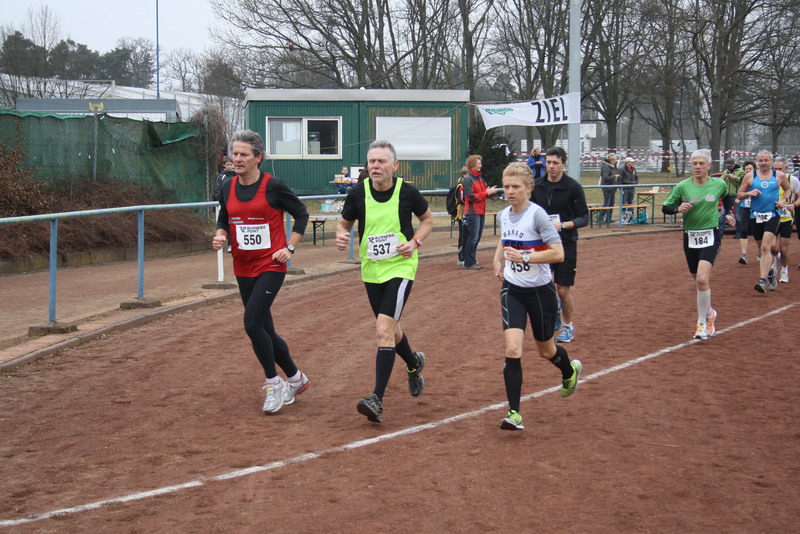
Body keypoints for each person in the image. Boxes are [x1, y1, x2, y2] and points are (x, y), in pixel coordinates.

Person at [335, 139, 434, 423]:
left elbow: (427, 220)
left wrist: (415, 242)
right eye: (372, 161)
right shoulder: (358, 192)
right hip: (372, 270)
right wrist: (341, 234)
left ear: (395, 165)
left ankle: (376, 399)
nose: (375, 166)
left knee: (382, 329)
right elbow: (344, 223)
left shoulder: (407, 192)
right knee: (391, 328)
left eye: (381, 161)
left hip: (401, 267)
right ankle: (414, 363)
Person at [212, 129, 311, 414]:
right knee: (265, 328)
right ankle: (296, 378)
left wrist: (290, 247)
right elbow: (225, 216)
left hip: (271, 264)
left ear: (258, 158)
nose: (237, 159)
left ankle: (273, 382)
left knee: (252, 323)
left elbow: (301, 213)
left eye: (244, 154)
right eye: (235, 153)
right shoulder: (228, 186)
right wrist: (221, 234)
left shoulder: (273, 186)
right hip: (242, 265)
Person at [493, 162, 582, 431]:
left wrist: (525, 257)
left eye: (515, 187)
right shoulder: (503, 215)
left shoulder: (538, 216)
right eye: (506, 186)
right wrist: (497, 259)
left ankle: (569, 371)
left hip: (540, 292)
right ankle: (514, 413)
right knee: (512, 348)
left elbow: (558, 253)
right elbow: (504, 239)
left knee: (546, 350)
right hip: (512, 289)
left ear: (529, 188)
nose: (510, 191)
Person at [661, 149, 728, 340]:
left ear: (709, 166)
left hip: (711, 235)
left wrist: (729, 213)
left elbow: (728, 197)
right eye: (694, 164)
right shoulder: (682, 186)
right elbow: (666, 207)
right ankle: (710, 313)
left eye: (701, 163)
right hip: (690, 236)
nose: (697, 167)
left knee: (701, 278)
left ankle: (701, 324)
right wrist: (677, 209)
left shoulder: (719, 184)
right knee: (698, 280)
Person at [530, 146, 588, 343]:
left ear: (563, 164)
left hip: (565, 243)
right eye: (548, 162)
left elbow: (584, 217)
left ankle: (568, 326)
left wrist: (563, 225)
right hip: (542, 244)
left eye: (555, 163)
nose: (551, 166)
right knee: (542, 287)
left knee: (562, 290)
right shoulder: (537, 186)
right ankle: (554, 309)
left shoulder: (573, 187)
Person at [737, 150, 792, 293]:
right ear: (757, 162)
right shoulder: (750, 176)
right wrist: (749, 193)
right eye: (760, 160)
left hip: (772, 214)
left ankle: (762, 280)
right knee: (763, 249)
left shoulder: (779, 175)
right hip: (755, 216)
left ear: (771, 162)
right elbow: (739, 194)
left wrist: (783, 200)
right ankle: (771, 273)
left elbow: (788, 189)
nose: (763, 163)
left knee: (766, 247)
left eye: (766, 160)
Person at [462, 154, 499, 270]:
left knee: (476, 238)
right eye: (479, 163)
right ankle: (468, 262)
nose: (481, 165)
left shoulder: (479, 178)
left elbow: (482, 195)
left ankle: (471, 260)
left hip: (480, 210)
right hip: (472, 211)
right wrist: (487, 193)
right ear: (472, 165)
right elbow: (471, 196)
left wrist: (489, 192)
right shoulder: (468, 179)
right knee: (473, 238)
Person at [771, 157, 799, 283]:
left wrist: (794, 204)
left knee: (783, 248)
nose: (778, 171)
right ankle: (777, 258)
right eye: (775, 169)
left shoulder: (793, 180)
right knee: (772, 247)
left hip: (786, 217)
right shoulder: (769, 179)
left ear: (786, 168)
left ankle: (784, 270)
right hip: (772, 216)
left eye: (780, 169)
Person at [729, 159, 752, 264]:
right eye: (746, 169)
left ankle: (761, 251)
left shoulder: (759, 179)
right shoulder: (743, 179)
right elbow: (740, 192)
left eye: (750, 169)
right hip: (744, 206)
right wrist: (739, 198)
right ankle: (744, 254)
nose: (748, 171)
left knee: (757, 232)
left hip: (756, 208)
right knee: (743, 230)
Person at [215, 157, 237, 252]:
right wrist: (221, 201)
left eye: (231, 164)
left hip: (236, 203)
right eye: (227, 164)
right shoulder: (221, 177)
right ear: (224, 165)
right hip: (226, 204)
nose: (229, 166)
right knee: (227, 223)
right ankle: (230, 245)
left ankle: (234, 244)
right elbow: (218, 190)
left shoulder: (237, 175)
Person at [720, 157, 744, 236]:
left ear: (734, 164)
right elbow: (719, 182)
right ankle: (720, 233)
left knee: (738, 215)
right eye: (727, 166)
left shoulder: (740, 171)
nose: (729, 167)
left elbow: (743, 181)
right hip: (727, 196)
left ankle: (739, 232)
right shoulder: (725, 171)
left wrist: (734, 177)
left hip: (736, 196)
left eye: (730, 166)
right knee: (722, 214)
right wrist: (722, 178)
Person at [599, 154, 620, 224]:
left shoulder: (612, 166)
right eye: (615, 160)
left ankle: (608, 218)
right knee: (606, 204)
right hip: (607, 187)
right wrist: (614, 176)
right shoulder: (605, 167)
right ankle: (600, 218)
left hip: (612, 187)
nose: (616, 161)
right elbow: (605, 178)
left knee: (611, 204)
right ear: (611, 160)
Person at [455, 167, 467, 266]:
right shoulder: (460, 185)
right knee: (462, 236)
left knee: (469, 236)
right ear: (463, 175)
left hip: (469, 213)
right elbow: (461, 199)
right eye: (466, 174)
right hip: (462, 214)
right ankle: (461, 258)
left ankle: (468, 257)